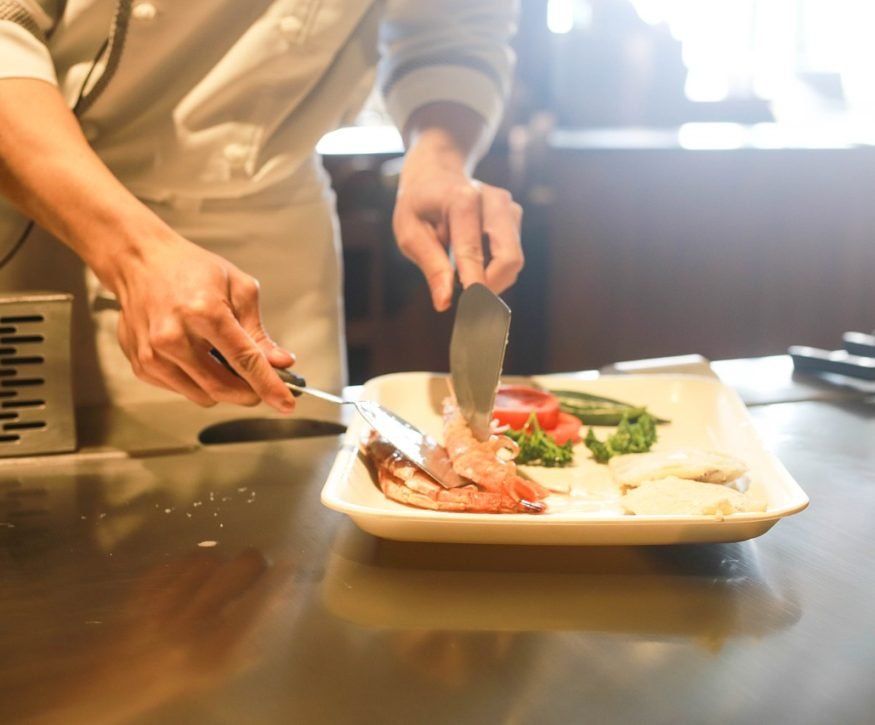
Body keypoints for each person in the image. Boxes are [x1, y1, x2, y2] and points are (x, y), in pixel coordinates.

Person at [0, 1, 524, 412]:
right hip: (55, 197)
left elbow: (454, 33)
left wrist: (439, 156)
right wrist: (130, 254)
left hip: (278, 236)